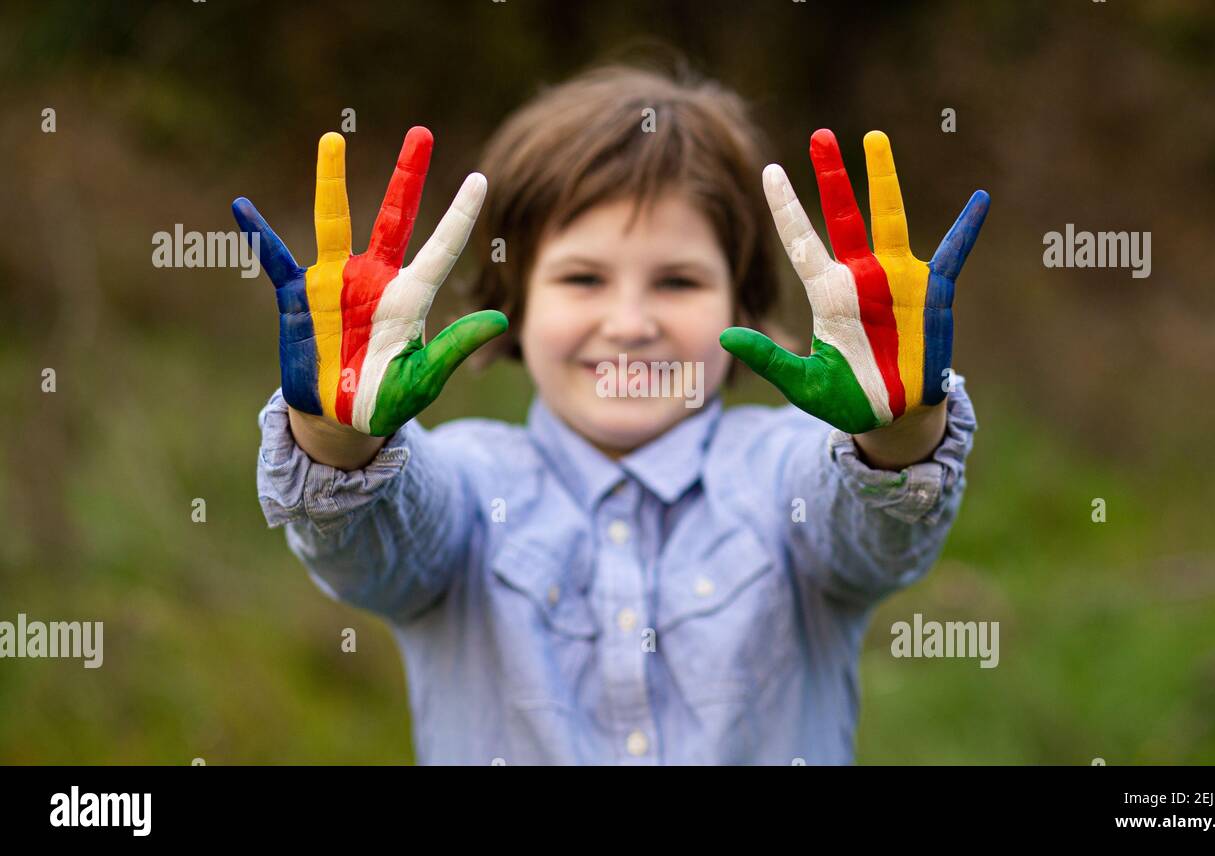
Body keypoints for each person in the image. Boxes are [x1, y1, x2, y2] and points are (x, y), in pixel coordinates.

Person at [234, 63, 987, 764]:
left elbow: (877, 535)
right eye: (583, 278)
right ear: (516, 304)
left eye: (678, 281)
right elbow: (367, 547)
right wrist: (336, 431)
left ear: (745, 303)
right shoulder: (467, 485)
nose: (629, 323)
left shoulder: (787, 469)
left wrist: (896, 426)